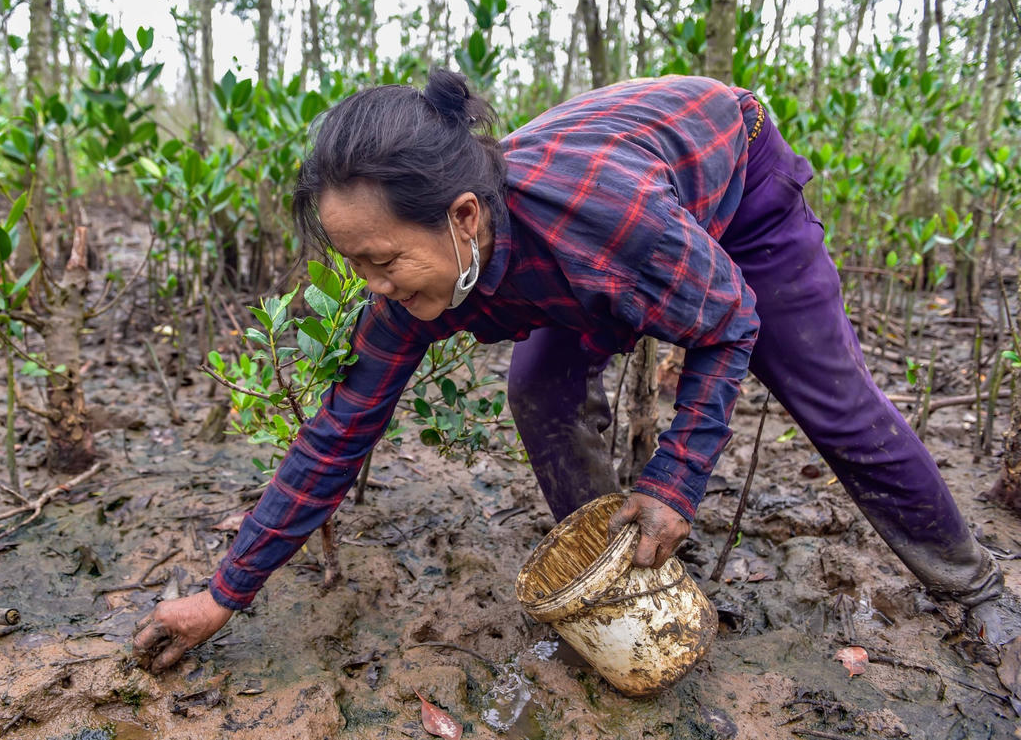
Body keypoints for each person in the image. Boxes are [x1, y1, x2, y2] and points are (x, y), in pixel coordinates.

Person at [133, 69, 1018, 672]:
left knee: (835, 403)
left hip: (734, 188)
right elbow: (336, 433)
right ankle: (621, 577)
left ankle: (972, 580)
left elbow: (730, 316)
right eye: (355, 264)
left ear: (464, 218)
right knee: (537, 388)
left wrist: (677, 478)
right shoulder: (422, 274)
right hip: (574, 247)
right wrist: (223, 594)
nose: (372, 287)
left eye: (380, 261)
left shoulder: (607, 224)